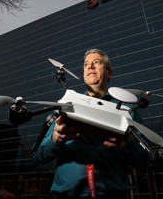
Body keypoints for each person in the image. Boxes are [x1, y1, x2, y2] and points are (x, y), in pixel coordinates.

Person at [34, 49, 147, 199]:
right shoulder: (67, 105)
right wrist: (55, 140)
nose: (90, 67)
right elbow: (39, 156)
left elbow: (145, 161)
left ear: (109, 73)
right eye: (86, 64)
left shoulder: (128, 112)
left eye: (96, 62)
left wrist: (128, 145)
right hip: (66, 195)